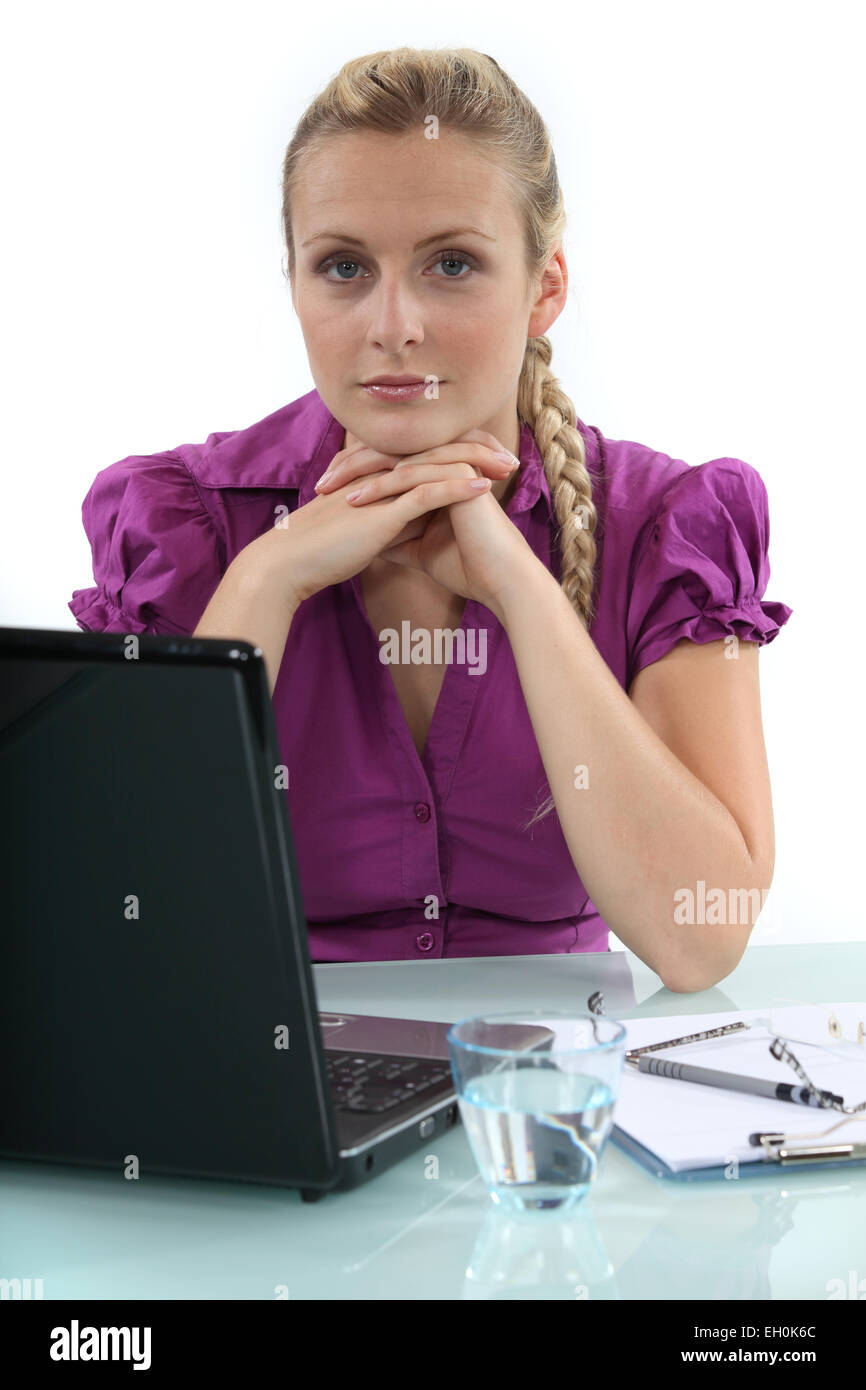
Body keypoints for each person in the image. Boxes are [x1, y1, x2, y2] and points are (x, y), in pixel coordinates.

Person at [68, 47, 792, 989]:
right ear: (292, 282)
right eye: (343, 267)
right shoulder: (184, 526)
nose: (393, 323)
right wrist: (266, 580)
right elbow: (123, 914)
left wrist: (520, 589)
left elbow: (701, 938)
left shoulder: (667, 524)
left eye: (451, 263)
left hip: (555, 1089)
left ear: (545, 288)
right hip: (276, 1080)